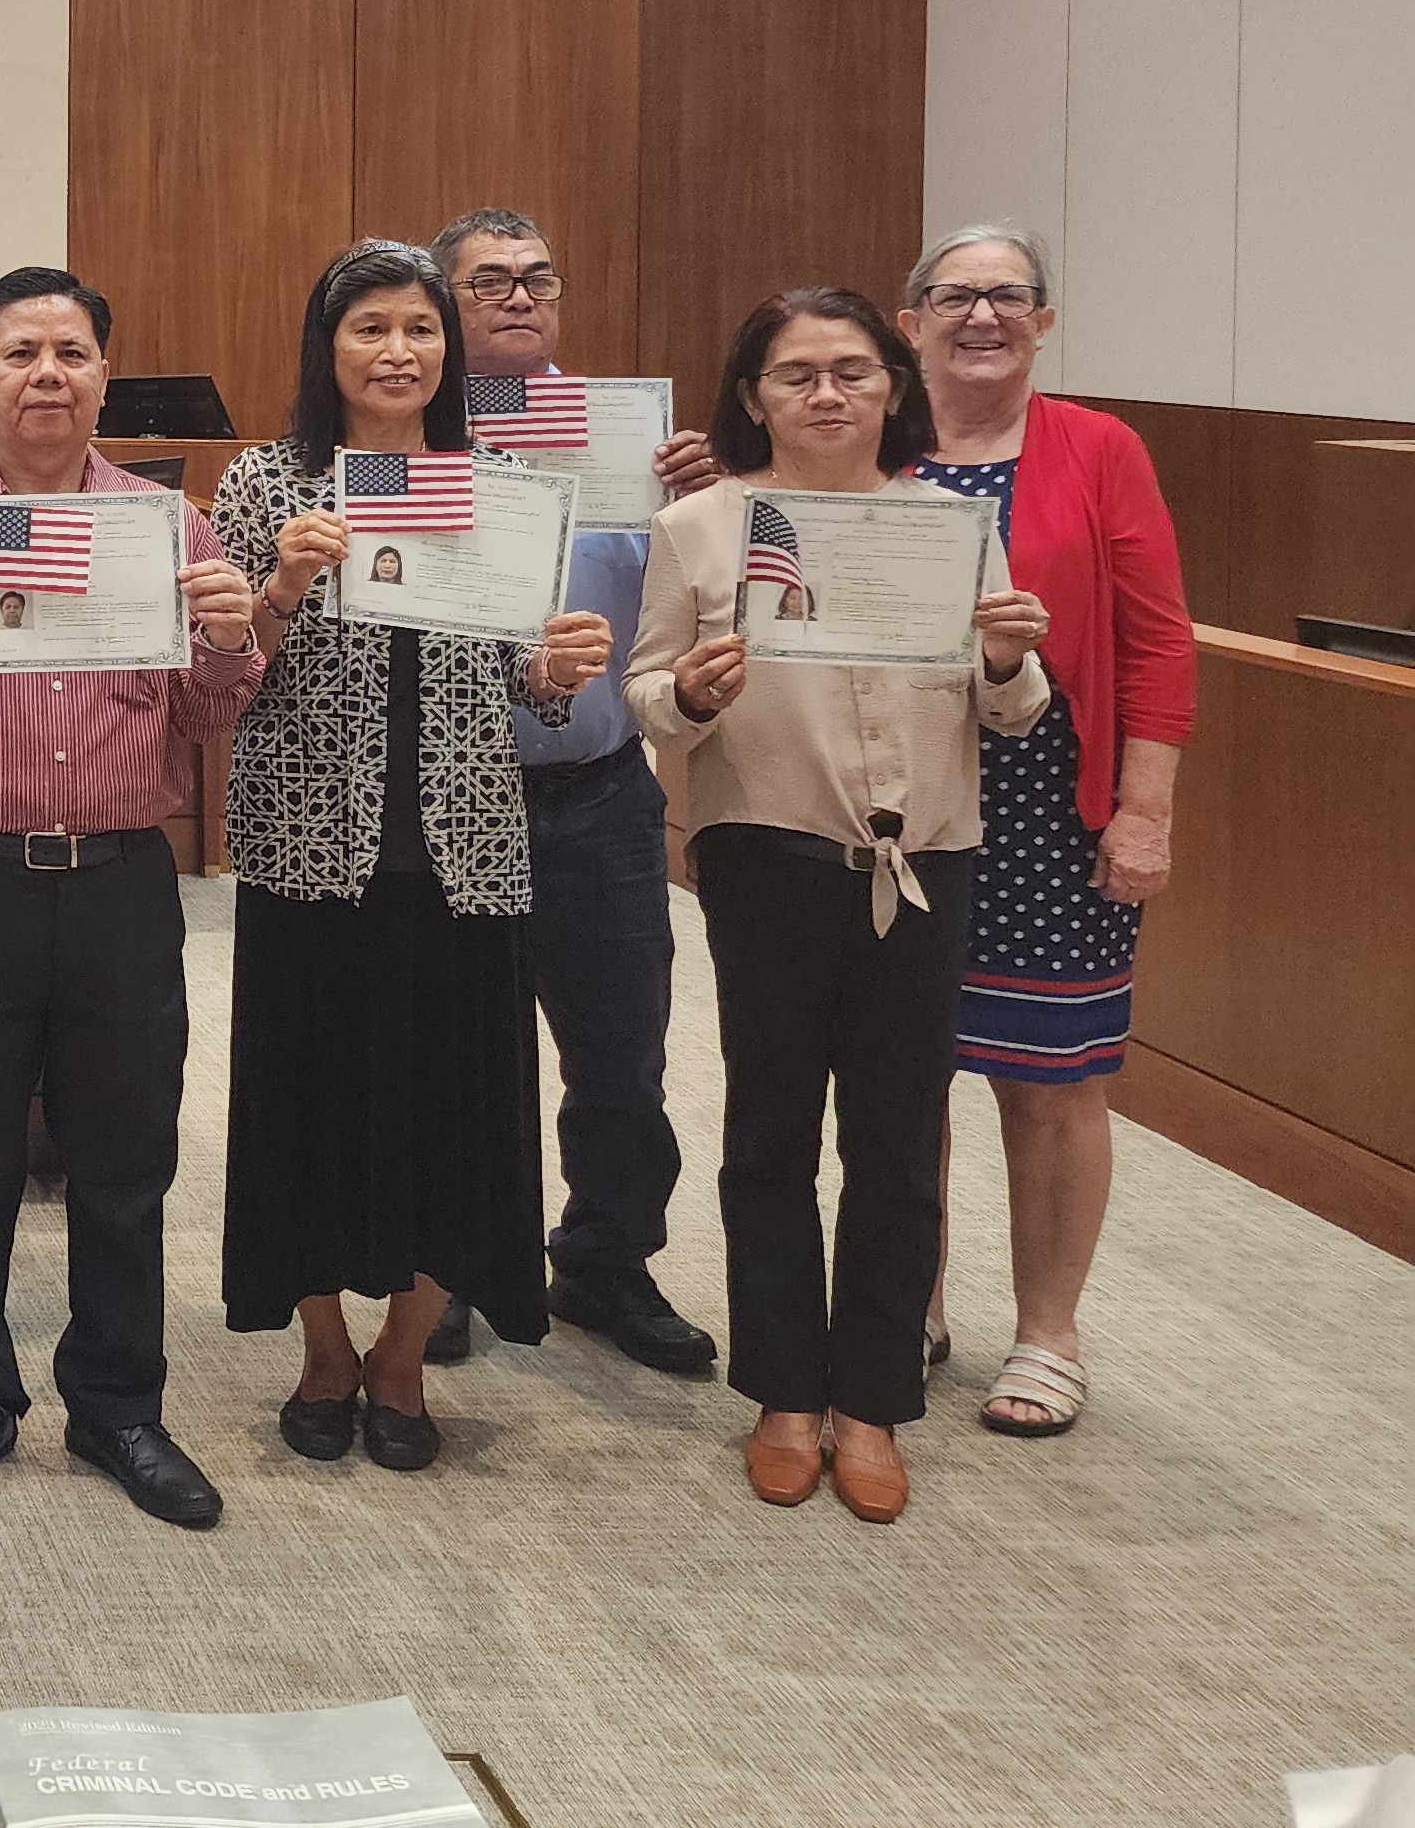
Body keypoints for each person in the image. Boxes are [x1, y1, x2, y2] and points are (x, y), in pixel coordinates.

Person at [0, 268, 259, 1528]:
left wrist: (233, 638)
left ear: (102, 378)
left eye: (71, 353)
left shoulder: (167, 530)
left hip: (123, 880)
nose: (46, 375)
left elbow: (203, 714)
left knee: (124, 1162)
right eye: (18, 353)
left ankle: (120, 1405)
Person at [628, 289, 1053, 1524]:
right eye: (796, 373)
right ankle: (781, 1393)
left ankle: (869, 1400)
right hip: (767, 857)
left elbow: (1009, 712)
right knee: (766, 1133)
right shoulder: (701, 527)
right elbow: (647, 694)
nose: (827, 393)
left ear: (891, 387)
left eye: (853, 371)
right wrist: (691, 696)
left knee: (896, 1140)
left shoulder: (950, 527)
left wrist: (1008, 658)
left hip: (925, 857)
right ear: (752, 395)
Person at [211, 242, 611, 1476]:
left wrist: (554, 673)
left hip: (463, 853)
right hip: (305, 852)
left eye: (420, 331)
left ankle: (403, 1358)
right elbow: (220, 681)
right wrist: (277, 584)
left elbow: (526, 688)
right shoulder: (265, 481)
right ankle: (326, 1351)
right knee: (307, 1109)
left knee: (454, 1115)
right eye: (371, 328)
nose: (399, 353)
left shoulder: (500, 487)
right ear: (325, 348)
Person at [898, 225, 1194, 1440]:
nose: (981, 317)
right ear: (909, 317)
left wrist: (1144, 807)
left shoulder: (1096, 447)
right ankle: (901, 1306)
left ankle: (1047, 1332)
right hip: (896, 806)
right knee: (898, 1080)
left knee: (1050, 1083)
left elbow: (1155, 637)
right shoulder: (868, 434)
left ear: (1043, 321)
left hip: (1046, 812)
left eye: (1006, 297)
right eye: (955, 296)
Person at [420, 208, 722, 1380]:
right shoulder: (401, 439)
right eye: (487, 280)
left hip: (598, 793)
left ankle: (605, 1257)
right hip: (454, 791)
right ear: (442, 302)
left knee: (618, 1047)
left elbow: (691, 604)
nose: (516, 296)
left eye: (537, 278)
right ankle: (446, 1262)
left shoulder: (627, 437)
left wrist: (699, 502)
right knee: (454, 1047)